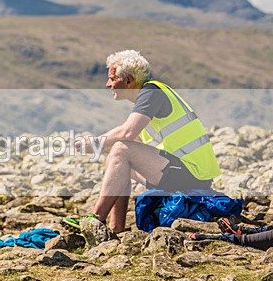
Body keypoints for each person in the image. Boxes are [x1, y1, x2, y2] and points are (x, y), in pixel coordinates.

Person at [63, 50, 221, 234]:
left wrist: (96, 143)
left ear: (128, 81)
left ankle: (95, 219)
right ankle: (116, 228)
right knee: (118, 159)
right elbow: (128, 137)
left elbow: (127, 132)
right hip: (186, 172)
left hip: (192, 174)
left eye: (112, 78)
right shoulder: (149, 99)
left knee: (121, 149)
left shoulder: (151, 92)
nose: (108, 85)